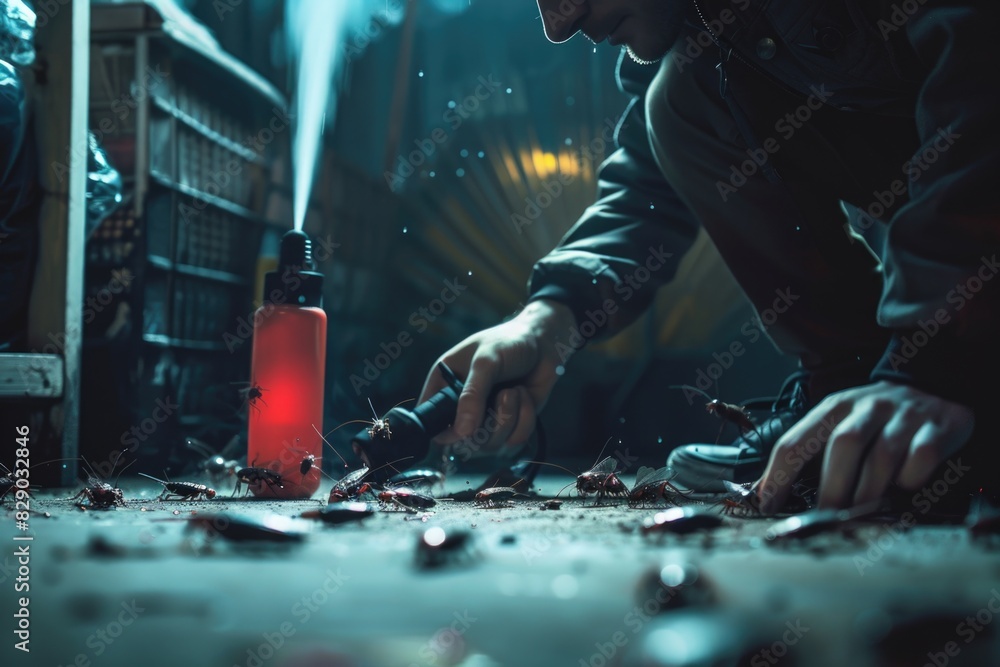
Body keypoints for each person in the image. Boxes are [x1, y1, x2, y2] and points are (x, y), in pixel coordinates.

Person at [418, 0, 998, 513]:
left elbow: (981, 93)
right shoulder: (703, 32)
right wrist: (548, 318)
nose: (559, 25)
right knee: (680, 93)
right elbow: (647, 187)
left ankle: (925, 403)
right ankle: (845, 394)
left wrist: (934, 361)